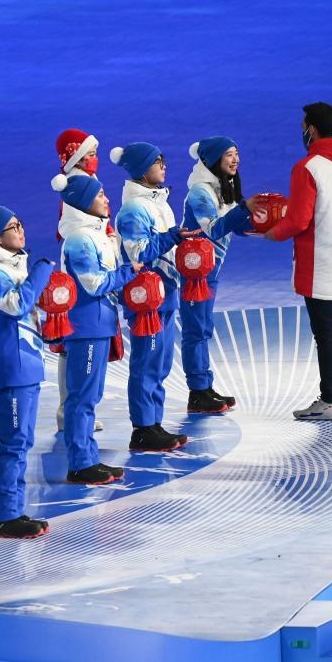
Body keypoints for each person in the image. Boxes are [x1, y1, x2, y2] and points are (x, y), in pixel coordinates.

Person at [265, 102, 332, 421]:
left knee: (326, 333)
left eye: (303, 127)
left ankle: (329, 401)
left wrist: (271, 233)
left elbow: (298, 220)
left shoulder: (308, 167)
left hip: (319, 261)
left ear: (311, 129)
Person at [0, 203, 54, 538]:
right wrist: (41, 273)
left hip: (26, 365)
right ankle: (4, 516)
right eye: (12, 227)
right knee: (12, 442)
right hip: (9, 369)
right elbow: (16, 305)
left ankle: (14, 510)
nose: (20, 231)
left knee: (23, 441)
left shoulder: (13, 267)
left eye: (20, 224)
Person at [111, 142, 199, 451]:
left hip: (165, 292)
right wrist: (173, 236)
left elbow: (165, 248)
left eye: (163, 160)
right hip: (145, 300)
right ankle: (143, 429)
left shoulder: (159, 202)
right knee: (147, 361)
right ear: (140, 169)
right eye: (156, 161)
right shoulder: (134, 210)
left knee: (160, 362)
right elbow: (139, 253)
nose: (163, 166)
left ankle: (154, 422)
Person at [53, 173, 138, 485]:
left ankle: (88, 457)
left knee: (91, 395)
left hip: (99, 325)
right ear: (83, 202)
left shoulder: (96, 234)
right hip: (85, 327)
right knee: (81, 397)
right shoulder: (79, 240)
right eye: (100, 195)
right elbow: (94, 283)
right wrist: (128, 273)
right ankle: (79, 463)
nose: (107, 199)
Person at [180, 136, 264, 413]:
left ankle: (204, 386)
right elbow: (214, 229)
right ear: (213, 159)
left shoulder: (221, 187)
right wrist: (244, 208)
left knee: (203, 327)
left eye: (237, 153)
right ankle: (197, 392)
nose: (235, 159)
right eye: (229, 154)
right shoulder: (200, 192)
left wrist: (265, 224)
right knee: (195, 329)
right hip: (194, 273)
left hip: (208, 270)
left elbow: (234, 226)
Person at [53, 128, 107, 435]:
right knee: (72, 342)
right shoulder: (76, 185)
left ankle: (75, 407)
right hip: (82, 264)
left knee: (73, 343)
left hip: (91, 256)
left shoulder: (87, 180)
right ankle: (69, 408)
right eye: (89, 154)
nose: (94, 159)